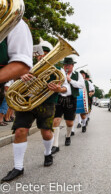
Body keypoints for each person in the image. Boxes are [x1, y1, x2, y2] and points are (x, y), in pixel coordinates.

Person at [1, 40, 66, 183]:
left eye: (46, 54)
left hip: (47, 104)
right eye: (40, 54)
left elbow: (65, 88)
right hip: (26, 103)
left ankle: (48, 153)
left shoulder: (58, 70)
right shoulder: (27, 66)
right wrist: (20, 76)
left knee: (47, 133)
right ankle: (18, 167)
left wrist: (58, 89)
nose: (42, 57)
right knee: (19, 131)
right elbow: (11, 81)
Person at [51, 57, 84, 154]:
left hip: (71, 99)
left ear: (73, 66)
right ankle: (55, 145)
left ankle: (68, 136)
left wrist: (70, 81)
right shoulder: (60, 72)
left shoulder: (77, 74)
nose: (67, 66)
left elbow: (81, 85)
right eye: (65, 65)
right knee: (56, 120)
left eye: (69, 65)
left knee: (69, 123)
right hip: (59, 98)